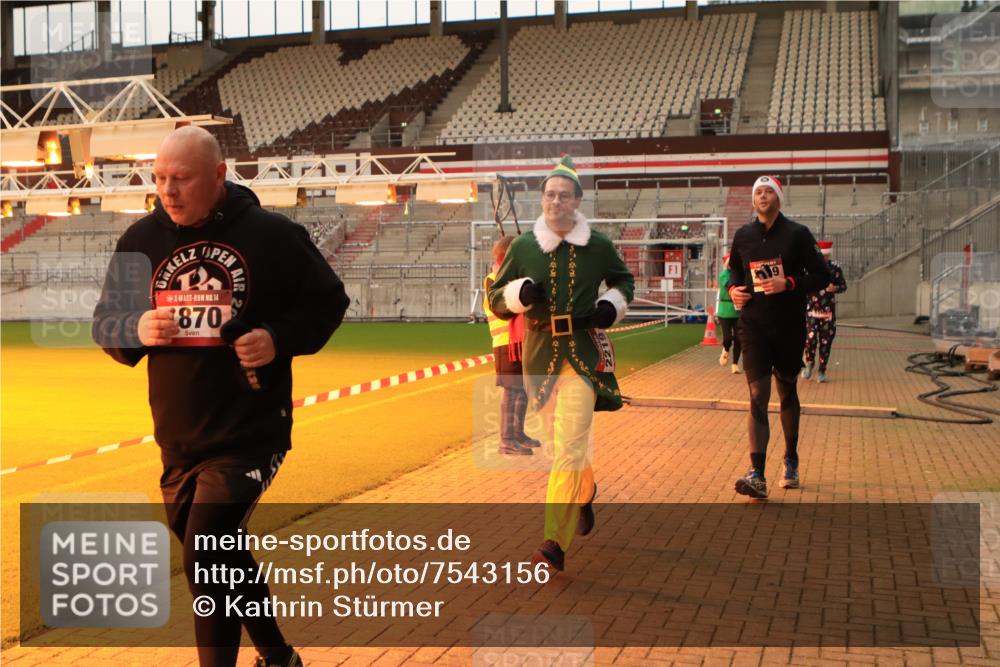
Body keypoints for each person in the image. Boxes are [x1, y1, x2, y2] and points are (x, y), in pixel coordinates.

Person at [92, 126, 349, 667]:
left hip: (249, 433)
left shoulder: (272, 236)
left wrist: (277, 339)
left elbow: (328, 303)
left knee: (207, 549)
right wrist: (135, 328)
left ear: (217, 175)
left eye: (181, 178)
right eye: (159, 178)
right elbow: (104, 324)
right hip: (179, 440)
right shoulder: (140, 241)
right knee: (221, 553)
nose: (167, 190)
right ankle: (279, 657)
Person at [488, 156, 635, 571]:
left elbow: (624, 281)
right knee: (564, 446)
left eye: (564, 194)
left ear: (577, 201)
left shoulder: (600, 246)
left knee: (569, 443)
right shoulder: (521, 247)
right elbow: (496, 298)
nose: (556, 201)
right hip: (540, 356)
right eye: (550, 194)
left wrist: (612, 304)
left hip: (583, 355)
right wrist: (519, 293)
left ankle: (555, 540)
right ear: (542, 199)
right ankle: (583, 493)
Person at [726, 175, 830, 499]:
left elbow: (822, 275)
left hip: (788, 326)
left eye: (769, 191)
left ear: (779, 198)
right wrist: (733, 290)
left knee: (786, 390)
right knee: (758, 393)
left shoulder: (797, 235)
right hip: (753, 326)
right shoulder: (743, 235)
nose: (763, 196)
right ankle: (756, 473)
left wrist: (791, 284)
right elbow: (733, 271)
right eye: (758, 191)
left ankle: (791, 458)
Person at [483, 235, 541, 455]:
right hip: (505, 342)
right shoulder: (493, 279)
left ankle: (517, 433)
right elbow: (503, 307)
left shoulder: (512, 279)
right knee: (512, 390)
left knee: (522, 390)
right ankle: (506, 439)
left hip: (519, 341)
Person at [803, 241, 848, 383]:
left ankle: (822, 370)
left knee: (826, 342)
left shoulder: (835, 268)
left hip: (828, 313)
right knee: (810, 340)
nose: (825, 258)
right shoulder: (809, 268)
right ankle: (809, 363)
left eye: (827, 256)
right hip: (811, 311)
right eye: (822, 256)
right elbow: (802, 285)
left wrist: (834, 288)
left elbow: (843, 286)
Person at [716, 253, 742, 374]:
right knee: (728, 338)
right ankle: (725, 350)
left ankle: (735, 364)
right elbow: (729, 285)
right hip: (725, 311)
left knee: (738, 338)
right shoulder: (723, 275)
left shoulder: (740, 274)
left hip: (738, 311)